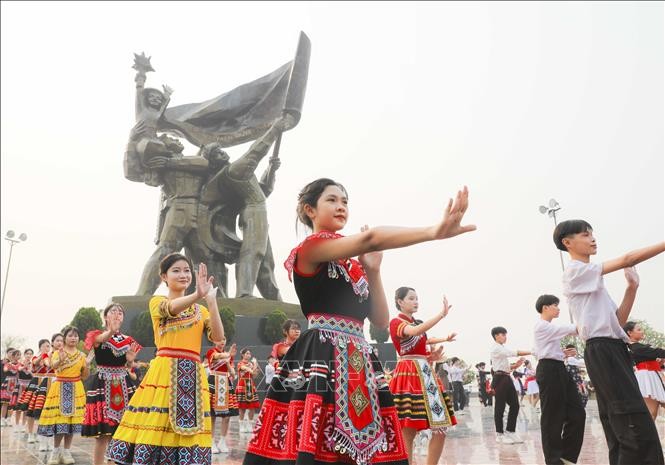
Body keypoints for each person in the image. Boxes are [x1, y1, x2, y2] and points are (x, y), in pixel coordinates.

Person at [243, 179, 474, 465]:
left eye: (345, 201)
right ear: (309, 210)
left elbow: (379, 320)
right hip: (323, 355)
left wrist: (373, 270)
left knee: (360, 451)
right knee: (322, 447)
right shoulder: (310, 248)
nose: (341, 206)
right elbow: (370, 238)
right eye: (332, 200)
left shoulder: (354, 264)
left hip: (358, 359)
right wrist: (433, 231)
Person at [554, 219, 664, 464]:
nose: (592, 238)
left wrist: (631, 289)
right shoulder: (575, 271)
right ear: (567, 242)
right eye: (585, 235)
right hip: (602, 350)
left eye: (593, 234)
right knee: (633, 422)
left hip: (612, 348)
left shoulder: (593, 281)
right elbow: (627, 259)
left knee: (620, 421)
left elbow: (617, 320)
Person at [106, 254, 224, 465]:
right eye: (176, 270)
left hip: (193, 375)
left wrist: (212, 303)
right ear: (164, 277)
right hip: (164, 374)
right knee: (156, 424)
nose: (183, 274)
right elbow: (170, 309)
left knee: (190, 430)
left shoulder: (201, 310)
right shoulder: (157, 302)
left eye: (187, 270)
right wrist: (197, 294)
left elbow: (218, 338)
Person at [388, 287, 456, 465]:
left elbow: (424, 339)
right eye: (411, 298)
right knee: (408, 428)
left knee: (441, 427)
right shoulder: (396, 322)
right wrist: (441, 315)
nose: (415, 301)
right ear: (400, 302)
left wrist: (437, 349)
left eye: (417, 298)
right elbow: (415, 332)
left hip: (425, 372)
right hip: (408, 372)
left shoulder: (416, 322)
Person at [82, 303, 141, 465]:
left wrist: (129, 362)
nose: (117, 314)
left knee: (122, 431)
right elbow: (100, 340)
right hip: (103, 383)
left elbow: (128, 364)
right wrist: (111, 331)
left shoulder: (128, 340)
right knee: (103, 434)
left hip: (123, 384)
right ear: (106, 316)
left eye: (120, 312)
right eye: (113, 311)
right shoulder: (96, 335)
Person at [532, 294, 586, 465]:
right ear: (545, 307)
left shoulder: (548, 329)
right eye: (555, 305)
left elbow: (539, 349)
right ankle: (553, 460)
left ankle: (567, 457)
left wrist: (560, 353)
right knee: (552, 417)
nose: (558, 308)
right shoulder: (541, 326)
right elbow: (574, 329)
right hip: (548, 370)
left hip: (559, 368)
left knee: (578, 413)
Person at [37, 326, 89, 465]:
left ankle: (66, 451)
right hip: (60, 388)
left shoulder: (82, 356)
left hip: (76, 388)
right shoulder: (58, 352)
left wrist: (88, 365)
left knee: (71, 422)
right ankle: (55, 451)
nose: (73, 338)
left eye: (76, 336)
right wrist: (60, 359)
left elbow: (84, 375)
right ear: (65, 338)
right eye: (70, 335)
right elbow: (54, 366)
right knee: (60, 422)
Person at [489, 326, 531, 445]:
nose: (505, 337)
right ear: (496, 336)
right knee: (500, 407)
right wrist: (532, 351)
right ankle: (499, 434)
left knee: (515, 405)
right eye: (503, 334)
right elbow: (513, 353)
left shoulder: (501, 348)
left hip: (507, 377)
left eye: (505, 334)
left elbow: (505, 366)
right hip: (499, 378)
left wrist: (516, 365)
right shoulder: (496, 348)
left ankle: (510, 431)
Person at [624, 321, 665, 420]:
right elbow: (657, 352)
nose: (642, 332)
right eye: (639, 329)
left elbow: (655, 356)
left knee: (652, 414)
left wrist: (658, 361)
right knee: (651, 413)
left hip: (653, 376)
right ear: (630, 333)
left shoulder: (636, 347)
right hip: (648, 379)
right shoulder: (635, 347)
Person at [206, 336, 238, 454]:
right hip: (214, 381)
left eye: (224, 339)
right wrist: (227, 355)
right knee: (212, 416)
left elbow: (233, 374)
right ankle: (211, 441)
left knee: (227, 416)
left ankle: (222, 441)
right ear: (214, 341)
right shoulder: (211, 352)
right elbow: (216, 357)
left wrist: (229, 361)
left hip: (225, 383)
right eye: (220, 339)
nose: (222, 341)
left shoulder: (227, 355)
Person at [20, 341, 51, 444]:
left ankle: (41, 434)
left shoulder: (50, 357)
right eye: (44, 346)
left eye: (48, 346)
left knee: (43, 410)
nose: (47, 348)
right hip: (36, 382)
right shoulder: (35, 357)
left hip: (47, 383)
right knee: (31, 410)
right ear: (40, 347)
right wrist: (43, 355)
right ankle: (30, 434)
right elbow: (36, 362)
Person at [236, 348, 260, 434]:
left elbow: (254, 374)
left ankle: (250, 424)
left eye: (249, 354)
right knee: (242, 407)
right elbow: (248, 370)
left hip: (250, 385)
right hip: (242, 385)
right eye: (246, 353)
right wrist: (254, 365)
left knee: (252, 407)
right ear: (242, 355)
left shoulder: (251, 364)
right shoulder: (240, 364)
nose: (248, 355)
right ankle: (241, 425)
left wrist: (255, 365)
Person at [0, 349, 21, 426]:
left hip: (16, 384)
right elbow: (5, 370)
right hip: (8, 383)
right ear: (13, 356)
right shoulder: (8, 364)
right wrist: (10, 365)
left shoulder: (20, 364)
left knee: (12, 403)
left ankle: (8, 419)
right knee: (5, 403)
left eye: (19, 355)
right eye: (17, 355)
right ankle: (2, 419)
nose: (18, 357)